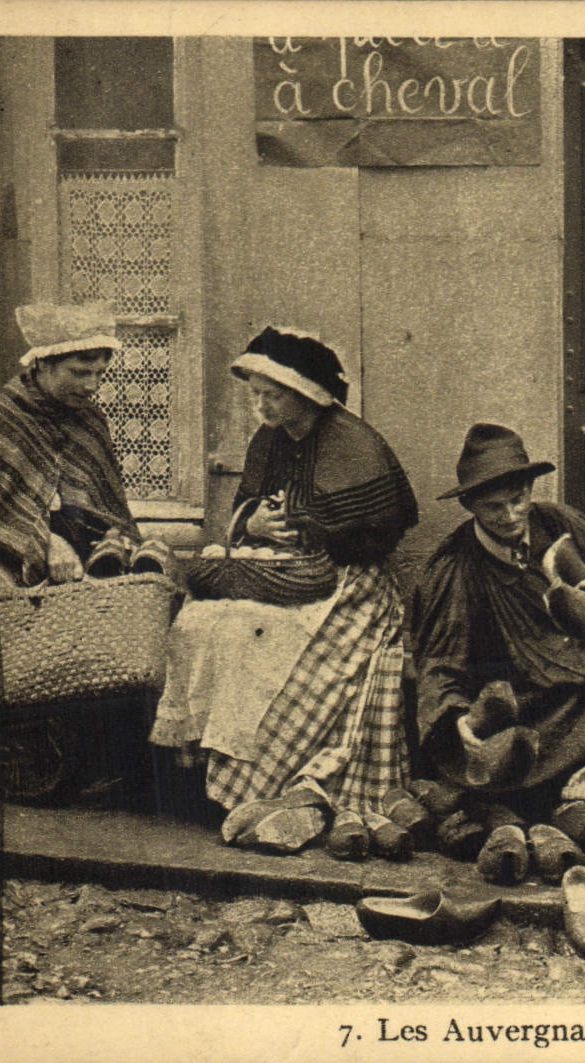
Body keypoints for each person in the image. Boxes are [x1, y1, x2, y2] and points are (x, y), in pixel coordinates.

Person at [150, 326, 419, 857]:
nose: (261, 406)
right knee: (204, 622)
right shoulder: (269, 440)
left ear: (306, 395)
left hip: (348, 583)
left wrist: (315, 531)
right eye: (255, 395)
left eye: (271, 395)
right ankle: (210, 780)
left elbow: (384, 528)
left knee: (262, 639)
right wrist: (256, 526)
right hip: (277, 574)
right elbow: (246, 506)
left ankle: (268, 789)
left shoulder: (353, 443)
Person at [410, 423, 585, 838]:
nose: (510, 515)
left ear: (530, 489)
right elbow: (440, 660)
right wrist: (455, 716)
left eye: (518, 499)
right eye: (494, 507)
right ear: (471, 505)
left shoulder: (554, 520)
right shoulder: (455, 568)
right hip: (533, 694)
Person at [0, 301, 145, 593]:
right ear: (44, 364)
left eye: (99, 373)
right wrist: (45, 540)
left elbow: (107, 509)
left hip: (87, 568)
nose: (91, 385)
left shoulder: (91, 420)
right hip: (9, 566)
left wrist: (113, 537)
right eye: (80, 372)